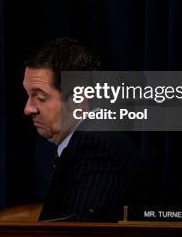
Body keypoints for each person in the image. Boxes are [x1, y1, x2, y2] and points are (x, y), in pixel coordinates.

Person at [22, 37, 147, 222]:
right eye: (28, 95)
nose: (28, 109)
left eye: (40, 97)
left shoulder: (96, 143)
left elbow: (79, 231)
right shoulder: (86, 139)